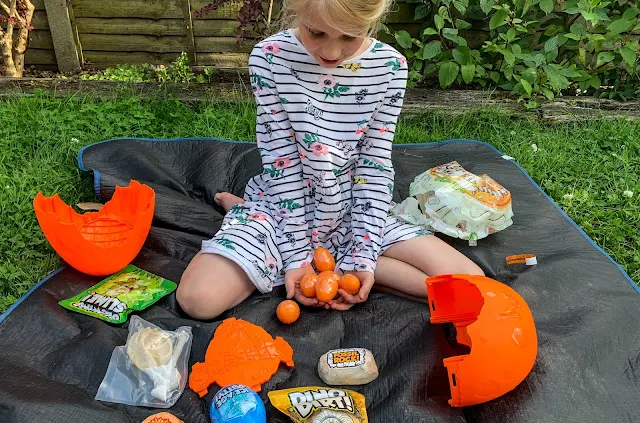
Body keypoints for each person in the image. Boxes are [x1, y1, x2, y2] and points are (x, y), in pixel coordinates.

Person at [177, 0, 483, 320]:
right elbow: (282, 162)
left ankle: (337, 266)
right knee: (198, 300)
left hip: (352, 207)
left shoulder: (389, 67)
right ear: (296, 11)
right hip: (283, 205)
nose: (332, 53)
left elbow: (374, 164)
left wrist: (362, 259)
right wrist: (296, 257)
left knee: (470, 282)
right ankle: (257, 220)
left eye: (349, 37)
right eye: (317, 32)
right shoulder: (270, 58)